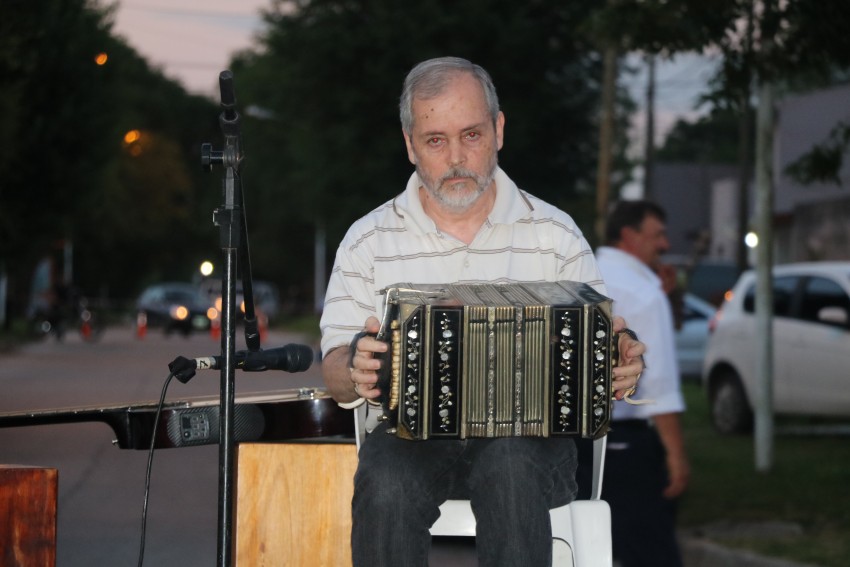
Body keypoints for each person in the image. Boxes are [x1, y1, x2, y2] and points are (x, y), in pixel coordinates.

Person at [320, 56, 647, 567]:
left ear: (498, 130)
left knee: (510, 463)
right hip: (411, 440)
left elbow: (605, 346)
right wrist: (355, 366)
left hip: (534, 445)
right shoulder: (367, 240)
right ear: (410, 145)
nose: (455, 157)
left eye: (471, 135)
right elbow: (335, 369)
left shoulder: (555, 233)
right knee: (384, 482)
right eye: (435, 140)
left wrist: (622, 361)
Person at [577, 200, 690, 567]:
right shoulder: (642, 292)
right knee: (651, 552)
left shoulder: (581, 273)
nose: (665, 245)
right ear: (629, 235)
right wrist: (675, 455)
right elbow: (658, 385)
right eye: (657, 235)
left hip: (573, 442)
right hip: (624, 441)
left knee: (586, 550)